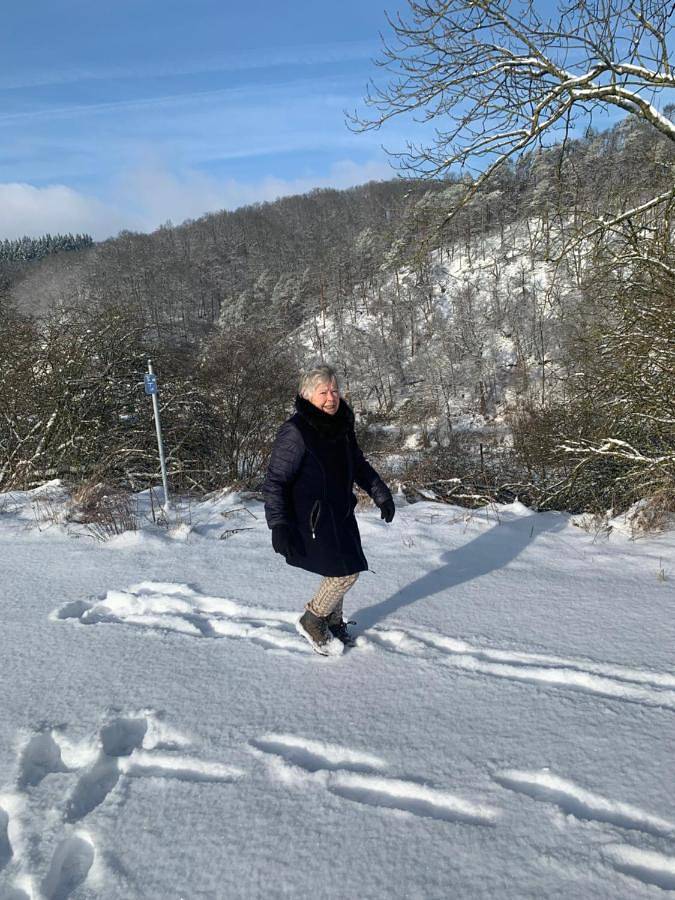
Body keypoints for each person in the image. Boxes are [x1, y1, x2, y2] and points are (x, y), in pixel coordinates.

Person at [263, 365, 395, 655]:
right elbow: (275, 481)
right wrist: (279, 524)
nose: (331, 398)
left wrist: (380, 494)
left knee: (347, 565)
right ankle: (312, 619)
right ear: (307, 396)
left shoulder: (341, 424)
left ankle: (333, 624)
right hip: (312, 517)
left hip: (341, 512)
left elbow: (357, 463)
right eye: (323, 392)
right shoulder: (296, 431)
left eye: (334, 390)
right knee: (344, 574)